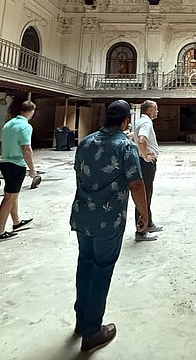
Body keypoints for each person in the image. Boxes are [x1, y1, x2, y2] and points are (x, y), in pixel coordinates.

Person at [70, 99, 149, 353]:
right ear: (126, 121)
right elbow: (136, 184)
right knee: (102, 269)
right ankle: (92, 331)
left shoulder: (85, 142)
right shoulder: (125, 146)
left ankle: (81, 320)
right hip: (108, 220)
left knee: (85, 263)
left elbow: (78, 175)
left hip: (83, 215)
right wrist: (144, 213)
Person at [0, 100, 37, 242]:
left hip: (5, 162)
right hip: (16, 165)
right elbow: (27, 149)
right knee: (9, 197)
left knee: (13, 194)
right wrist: (32, 170)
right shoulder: (26, 126)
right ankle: (0, 232)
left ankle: (16, 222)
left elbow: (2, 143)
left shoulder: (8, 124)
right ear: (31, 112)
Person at [134, 99, 163, 242]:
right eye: (156, 109)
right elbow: (142, 140)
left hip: (142, 162)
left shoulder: (140, 120)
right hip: (145, 164)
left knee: (147, 193)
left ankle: (148, 223)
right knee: (144, 195)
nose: (157, 111)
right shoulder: (146, 122)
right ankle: (141, 231)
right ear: (150, 110)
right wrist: (145, 156)